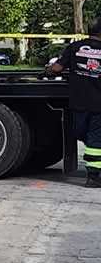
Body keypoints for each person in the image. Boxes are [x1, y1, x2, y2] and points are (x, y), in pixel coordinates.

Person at [48, 15, 101, 187]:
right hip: (97, 104)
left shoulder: (75, 47)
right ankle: (94, 175)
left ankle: (93, 176)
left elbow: (57, 68)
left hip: (78, 102)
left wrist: (48, 70)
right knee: (93, 139)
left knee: (84, 135)